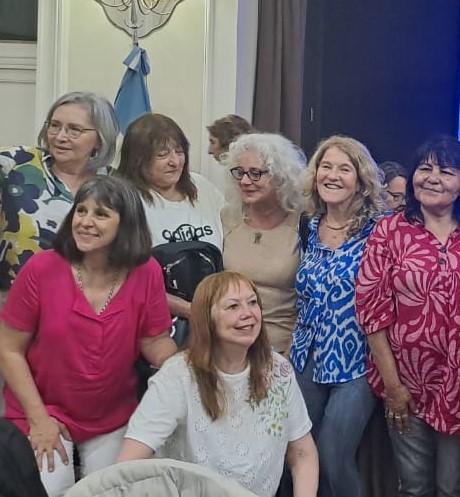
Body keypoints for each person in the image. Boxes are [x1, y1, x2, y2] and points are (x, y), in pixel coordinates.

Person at [0, 176, 176, 496]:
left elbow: (153, 341)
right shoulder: (41, 269)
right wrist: (38, 419)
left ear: (127, 225)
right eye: (81, 211)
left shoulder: (147, 271)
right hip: (42, 409)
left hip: (112, 415)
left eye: (101, 214)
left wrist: (185, 362)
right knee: (46, 489)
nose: (85, 222)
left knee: (117, 491)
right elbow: (8, 348)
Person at [355, 135, 460, 497]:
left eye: (446, 171)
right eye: (425, 169)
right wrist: (393, 387)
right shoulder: (389, 231)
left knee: (453, 487)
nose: (433, 178)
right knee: (414, 486)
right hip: (406, 382)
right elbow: (371, 313)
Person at [118, 271, 318, 497]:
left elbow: (302, 454)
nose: (248, 313)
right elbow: (128, 465)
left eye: (253, 302)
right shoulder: (177, 376)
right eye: (233, 306)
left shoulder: (278, 370)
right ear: (206, 319)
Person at [292, 136, 386, 497]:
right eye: (326, 167)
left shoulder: (380, 231)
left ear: (361, 181)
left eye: (344, 169)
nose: (332, 175)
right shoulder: (307, 226)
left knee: (333, 456)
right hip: (306, 356)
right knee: (298, 452)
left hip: (357, 361)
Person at [0, 91, 120, 304]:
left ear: (100, 139)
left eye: (75, 130)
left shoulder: (116, 186)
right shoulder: (16, 163)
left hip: (84, 308)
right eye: (54, 125)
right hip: (11, 304)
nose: (60, 136)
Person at [114, 113, 226, 322]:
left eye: (179, 151)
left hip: (215, 315)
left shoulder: (202, 187)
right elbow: (125, 279)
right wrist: (193, 311)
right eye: (162, 154)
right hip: (154, 321)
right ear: (137, 159)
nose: (174, 161)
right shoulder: (123, 200)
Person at [220, 133, 307, 354]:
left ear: (281, 176)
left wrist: (291, 353)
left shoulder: (305, 221)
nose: (245, 181)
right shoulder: (226, 217)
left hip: (286, 348)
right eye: (240, 172)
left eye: (256, 173)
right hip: (231, 347)